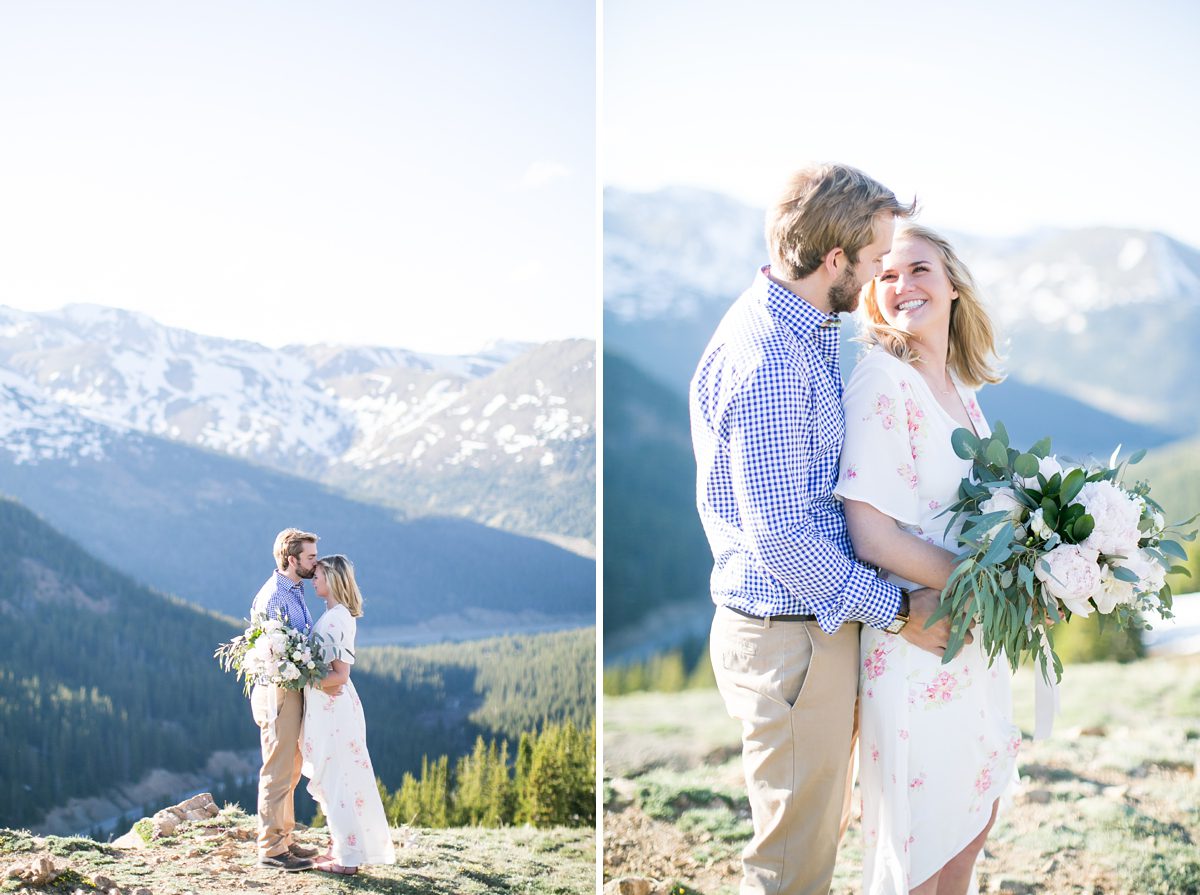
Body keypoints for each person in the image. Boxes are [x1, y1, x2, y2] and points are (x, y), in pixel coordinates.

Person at [690, 163, 956, 895]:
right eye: (874, 260)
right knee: (790, 865)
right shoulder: (773, 356)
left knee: (811, 840)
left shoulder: (798, 327)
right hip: (789, 635)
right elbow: (780, 538)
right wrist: (900, 611)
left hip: (807, 629)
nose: (879, 276)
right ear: (835, 259)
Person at [835, 223, 1020, 894]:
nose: (902, 284)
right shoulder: (881, 381)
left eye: (918, 269)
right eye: (885, 274)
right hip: (920, 639)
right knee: (921, 851)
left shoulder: (963, 395)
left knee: (971, 827)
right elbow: (872, 535)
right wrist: (991, 584)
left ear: (952, 287)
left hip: (973, 643)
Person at [301, 554, 396, 875]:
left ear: (334, 580)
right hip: (326, 708)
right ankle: (342, 848)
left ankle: (347, 860)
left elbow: (339, 675)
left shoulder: (338, 618)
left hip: (334, 711)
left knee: (338, 778)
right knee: (331, 780)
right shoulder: (332, 615)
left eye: (318, 575)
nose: (313, 579)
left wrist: (298, 675)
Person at [248, 528, 322, 872]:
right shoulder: (276, 596)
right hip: (278, 691)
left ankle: (285, 838)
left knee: (291, 768)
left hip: (292, 689)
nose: (315, 562)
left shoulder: (295, 589)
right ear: (291, 560)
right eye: (310, 557)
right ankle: (271, 848)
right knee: (277, 769)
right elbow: (271, 653)